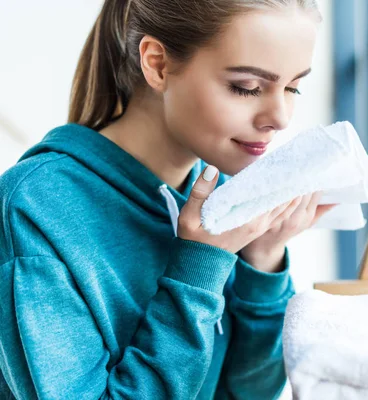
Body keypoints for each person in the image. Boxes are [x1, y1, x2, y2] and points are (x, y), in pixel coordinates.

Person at [0, 0, 333, 398]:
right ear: (157, 64)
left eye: (293, 86)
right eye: (247, 87)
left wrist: (261, 262)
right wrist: (197, 270)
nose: (280, 117)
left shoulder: (221, 190)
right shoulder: (36, 207)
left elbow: (247, 393)